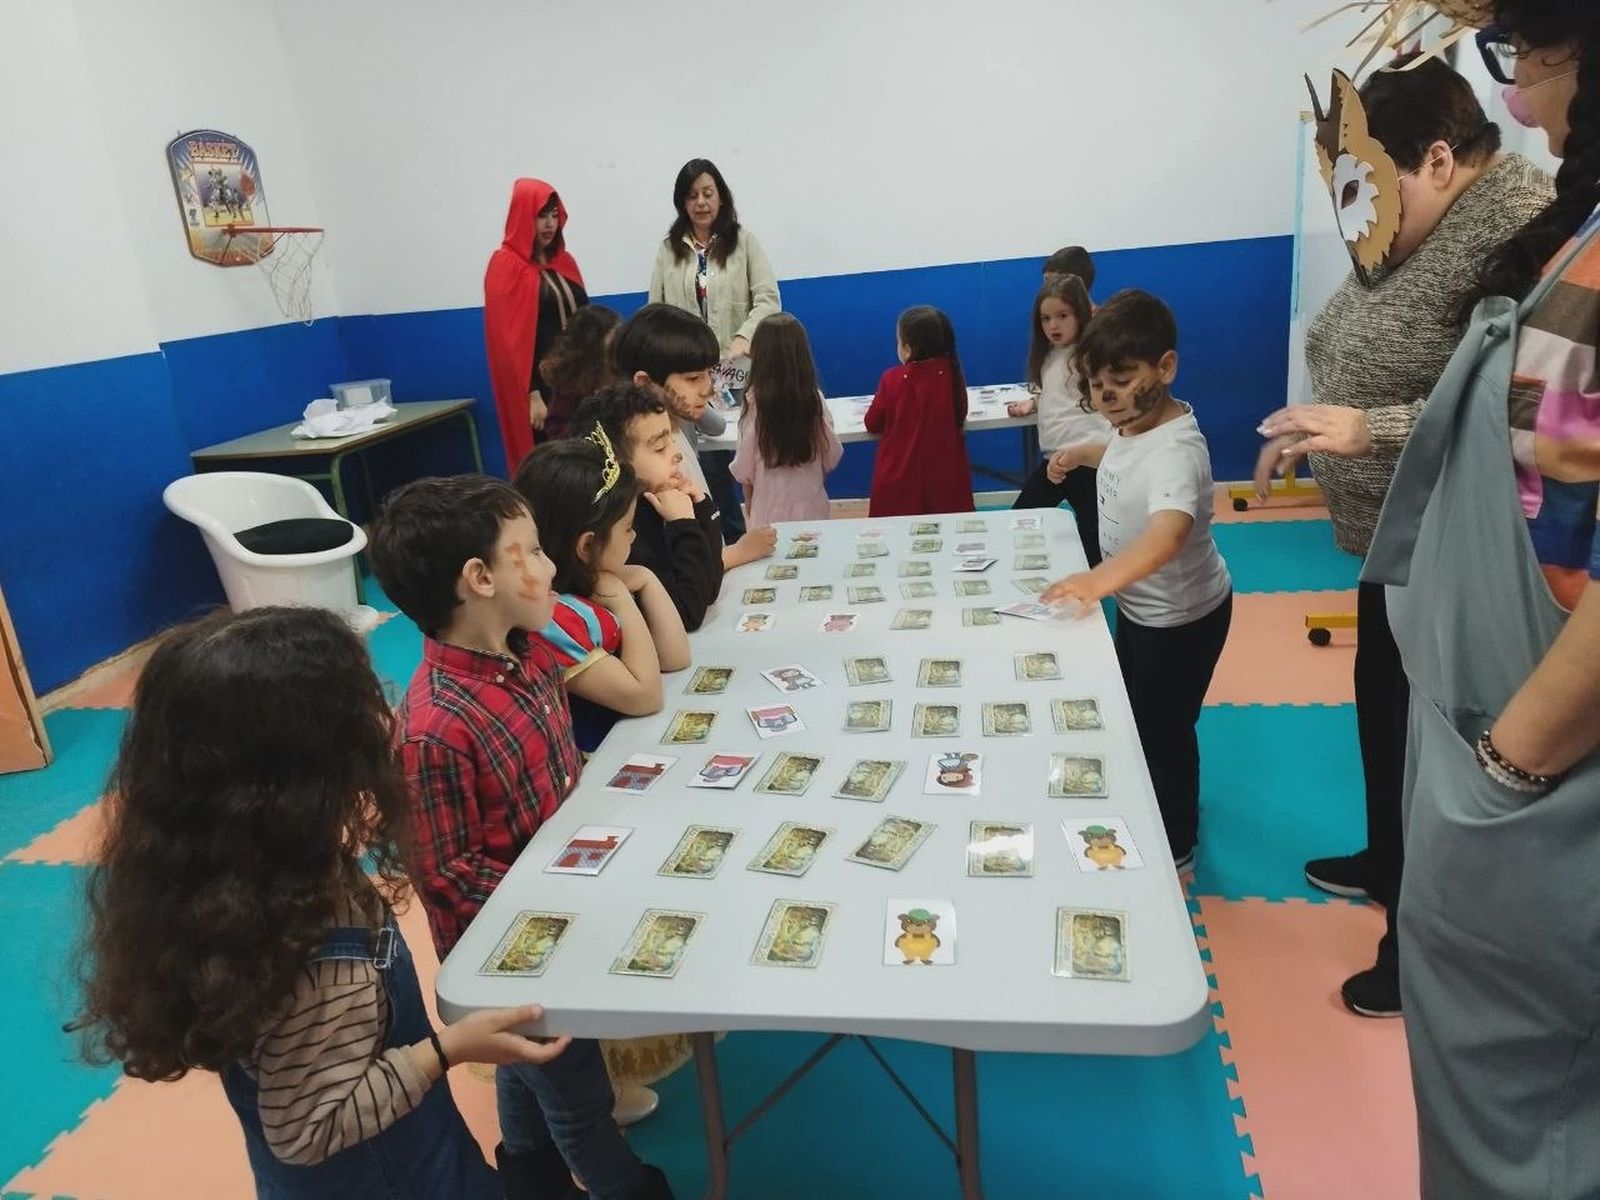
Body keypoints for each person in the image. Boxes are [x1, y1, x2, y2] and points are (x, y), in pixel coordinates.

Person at [1264, 6, 1600, 1192]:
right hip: (1423, 604)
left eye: (1526, 53)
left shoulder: (1527, 237)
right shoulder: (1525, 235)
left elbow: (1502, 435)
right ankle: (1400, 873)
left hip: (1516, 696)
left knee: (1518, 1079)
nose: (1517, 87)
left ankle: (1415, 918)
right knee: (1391, 751)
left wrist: (1507, 766)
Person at [70, 606, 572, 1197]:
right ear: (312, 760)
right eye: (362, 708)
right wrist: (450, 1049)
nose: (384, 717)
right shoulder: (315, 952)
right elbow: (308, 1129)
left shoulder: (229, 876)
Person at [1253, 54, 1552, 1017]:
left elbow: (1523, 402)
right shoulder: (1417, 225)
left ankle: (1417, 948)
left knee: (1433, 751)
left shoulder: (1516, 220)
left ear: (1432, 159)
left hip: (1453, 551)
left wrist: (1364, 427)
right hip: (1391, 539)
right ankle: (1388, 860)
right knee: (1380, 714)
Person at [368, 475, 674, 1200]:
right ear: (479, 579)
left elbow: (559, 767)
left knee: (528, 1065)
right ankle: (624, 1187)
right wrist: (573, 893)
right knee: (578, 1094)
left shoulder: (532, 653)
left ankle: (525, 1171)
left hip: (565, 903)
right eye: (529, 553)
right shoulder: (432, 728)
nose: (548, 567)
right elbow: (447, 875)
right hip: (516, 948)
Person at [1041, 290, 1232, 871]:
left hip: (1182, 620)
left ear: (1166, 367)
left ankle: (1178, 844)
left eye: (1122, 381)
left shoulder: (1178, 448)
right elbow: (1123, 457)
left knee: (1166, 730)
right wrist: (1081, 452)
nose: (1108, 398)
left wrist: (1099, 581)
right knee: (1141, 714)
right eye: (1098, 387)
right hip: (1145, 611)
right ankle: (1152, 796)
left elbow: (1168, 533)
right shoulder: (1133, 430)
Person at [513, 430, 689, 753]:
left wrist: (647, 579)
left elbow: (676, 658)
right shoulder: (553, 619)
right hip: (596, 767)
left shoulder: (595, 580)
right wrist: (622, 599)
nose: (634, 536)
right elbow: (645, 696)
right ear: (587, 545)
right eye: (627, 527)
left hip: (632, 742)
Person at [649, 158, 782, 542]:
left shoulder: (743, 242)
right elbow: (654, 309)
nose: (701, 202)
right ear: (681, 202)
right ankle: (710, 537)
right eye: (692, 196)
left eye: (708, 193)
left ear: (721, 197)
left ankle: (742, 536)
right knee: (698, 459)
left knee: (739, 455)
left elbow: (769, 299)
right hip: (686, 375)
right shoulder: (668, 250)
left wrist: (744, 337)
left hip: (736, 369)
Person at [611, 303, 776, 568]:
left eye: (707, 375)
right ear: (644, 383)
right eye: (692, 378)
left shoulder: (675, 431)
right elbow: (677, 565)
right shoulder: (644, 465)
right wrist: (738, 553)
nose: (708, 390)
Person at [572, 383, 725, 631]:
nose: (677, 455)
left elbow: (708, 589)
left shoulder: (656, 501)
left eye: (672, 441)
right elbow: (686, 614)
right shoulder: (621, 528)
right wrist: (683, 525)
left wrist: (702, 508)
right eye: (660, 447)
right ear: (618, 463)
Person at [485, 178, 588, 473]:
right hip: (541, 393)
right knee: (552, 467)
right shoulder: (506, 266)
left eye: (554, 215)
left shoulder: (564, 263)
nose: (549, 224)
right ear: (522, 216)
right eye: (541, 215)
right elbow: (508, 344)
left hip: (580, 385)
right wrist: (531, 396)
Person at [1009, 273, 1110, 566]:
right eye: (1045, 318)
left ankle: (1091, 593)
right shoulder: (1048, 356)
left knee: (1093, 538)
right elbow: (1055, 394)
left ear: (1080, 313)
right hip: (1056, 462)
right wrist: (1033, 402)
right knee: (1019, 520)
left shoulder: (1089, 355)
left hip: (1089, 462)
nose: (1053, 325)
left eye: (1062, 316)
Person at [731, 313, 843, 525]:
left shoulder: (754, 403)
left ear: (758, 355)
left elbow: (744, 466)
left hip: (767, 508)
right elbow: (832, 454)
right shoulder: (813, 398)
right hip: (813, 503)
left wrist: (749, 500)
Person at [863, 305, 976, 517]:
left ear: (907, 347)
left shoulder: (892, 378)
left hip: (899, 479)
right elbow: (960, 414)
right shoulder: (952, 374)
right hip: (946, 479)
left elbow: (872, 423)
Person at [539, 304, 620, 441]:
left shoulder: (625, 373)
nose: (620, 346)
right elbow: (565, 443)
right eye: (613, 344)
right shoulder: (568, 392)